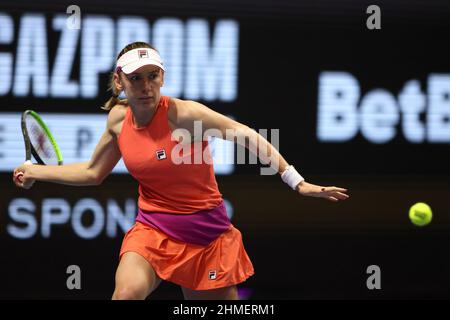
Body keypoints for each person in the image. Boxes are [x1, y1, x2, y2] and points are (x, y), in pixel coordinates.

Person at [13, 41, 349, 300]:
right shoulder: (117, 120)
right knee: (126, 294)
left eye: (152, 76)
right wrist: (35, 173)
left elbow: (246, 135)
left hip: (207, 237)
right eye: (135, 78)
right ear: (119, 81)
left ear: (162, 76)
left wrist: (297, 182)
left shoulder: (184, 115)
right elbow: (92, 172)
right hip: (153, 231)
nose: (146, 87)